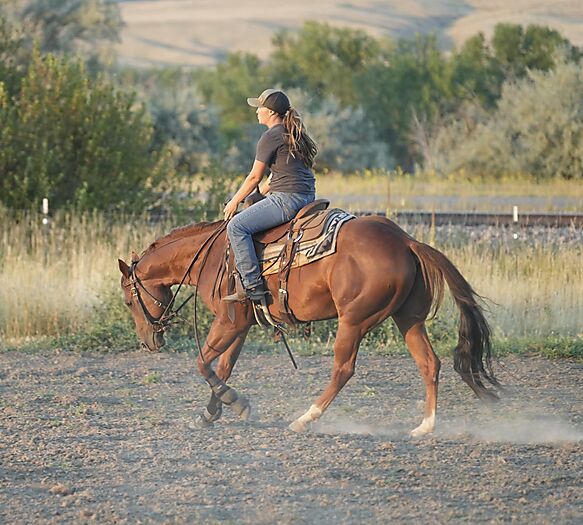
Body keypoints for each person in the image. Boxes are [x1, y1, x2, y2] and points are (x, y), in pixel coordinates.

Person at [222, 88, 317, 302]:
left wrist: (234, 202)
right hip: (306, 197)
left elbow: (254, 177)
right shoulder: (293, 133)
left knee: (236, 227)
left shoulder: (271, 136)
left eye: (260, 108)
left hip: (286, 199)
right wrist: (259, 195)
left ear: (271, 112)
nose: (257, 111)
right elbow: (277, 176)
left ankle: (252, 285)